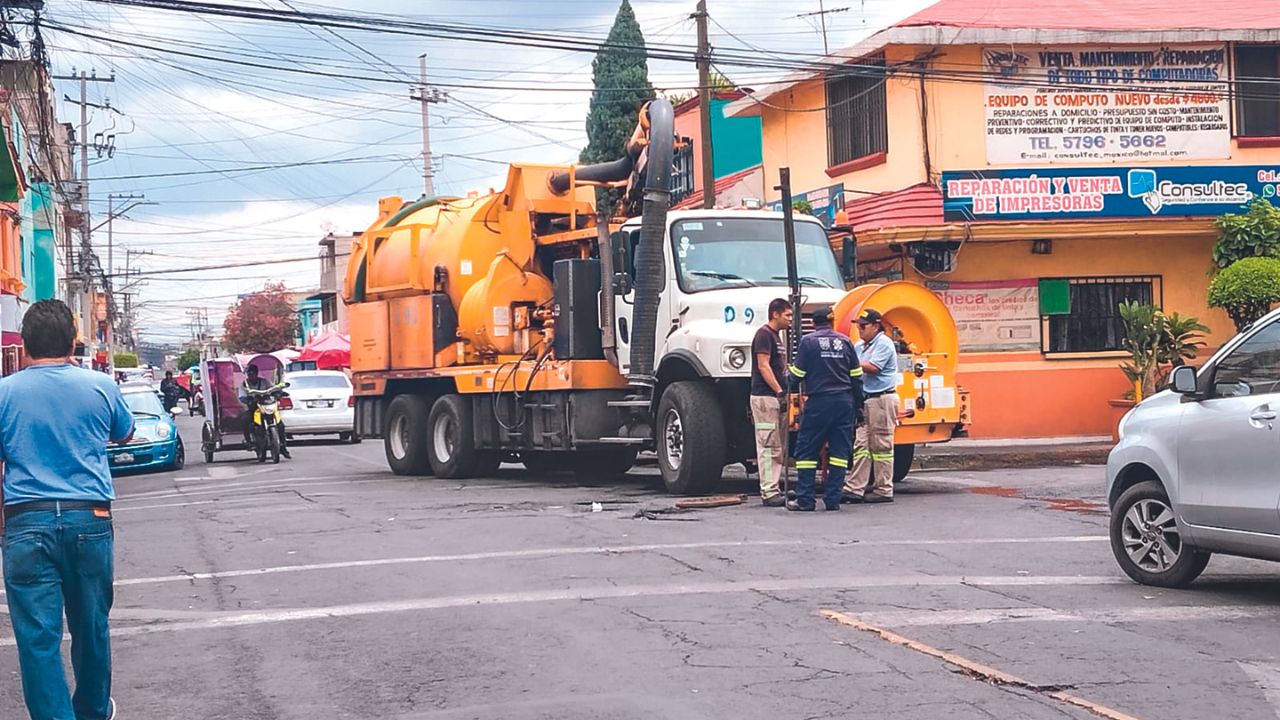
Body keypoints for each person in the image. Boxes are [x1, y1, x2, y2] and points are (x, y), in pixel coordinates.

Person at [0, 299, 132, 720]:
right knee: (91, 626)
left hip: (25, 520)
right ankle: (94, 710)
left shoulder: (3, 393)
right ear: (74, 343)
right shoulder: (100, 386)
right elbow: (124, 433)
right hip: (88, 518)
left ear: (24, 346)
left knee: (38, 637)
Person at [785, 306, 863, 512]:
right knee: (839, 452)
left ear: (813, 323)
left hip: (819, 403)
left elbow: (797, 374)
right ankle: (833, 500)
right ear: (833, 322)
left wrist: (788, 381)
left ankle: (805, 500)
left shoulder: (808, 342)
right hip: (844, 402)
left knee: (806, 450)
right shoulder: (846, 342)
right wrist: (859, 406)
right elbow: (856, 377)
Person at [845, 308, 900, 504]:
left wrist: (849, 364)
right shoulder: (860, 346)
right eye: (858, 326)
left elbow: (873, 367)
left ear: (876, 326)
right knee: (861, 445)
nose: (860, 329)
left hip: (882, 399)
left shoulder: (884, 343)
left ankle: (884, 489)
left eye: (863, 326)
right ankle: (855, 488)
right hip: (866, 400)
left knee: (882, 446)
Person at [749, 298, 792, 507]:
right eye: (788, 315)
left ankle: (774, 486)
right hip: (765, 398)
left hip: (774, 397)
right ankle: (769, 491)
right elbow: (763, 366)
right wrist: (779, 390)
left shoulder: (776, 337)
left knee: (777, 444)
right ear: (775, 314)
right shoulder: (764, 335)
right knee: (768, 444)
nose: (791, 319)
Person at [239, 365, 290, 459]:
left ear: (256, 373)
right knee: (245, 419)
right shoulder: (244, 384)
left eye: (253, 373)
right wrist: (247, 399)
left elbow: (273, 388)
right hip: (254, 407)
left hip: (267, 405)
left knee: (280, 425)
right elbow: (241, 396)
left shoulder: (264, 381)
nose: (251, 376)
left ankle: (283, 447)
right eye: (249, 374)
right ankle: (249, 441)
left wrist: (278, 393)